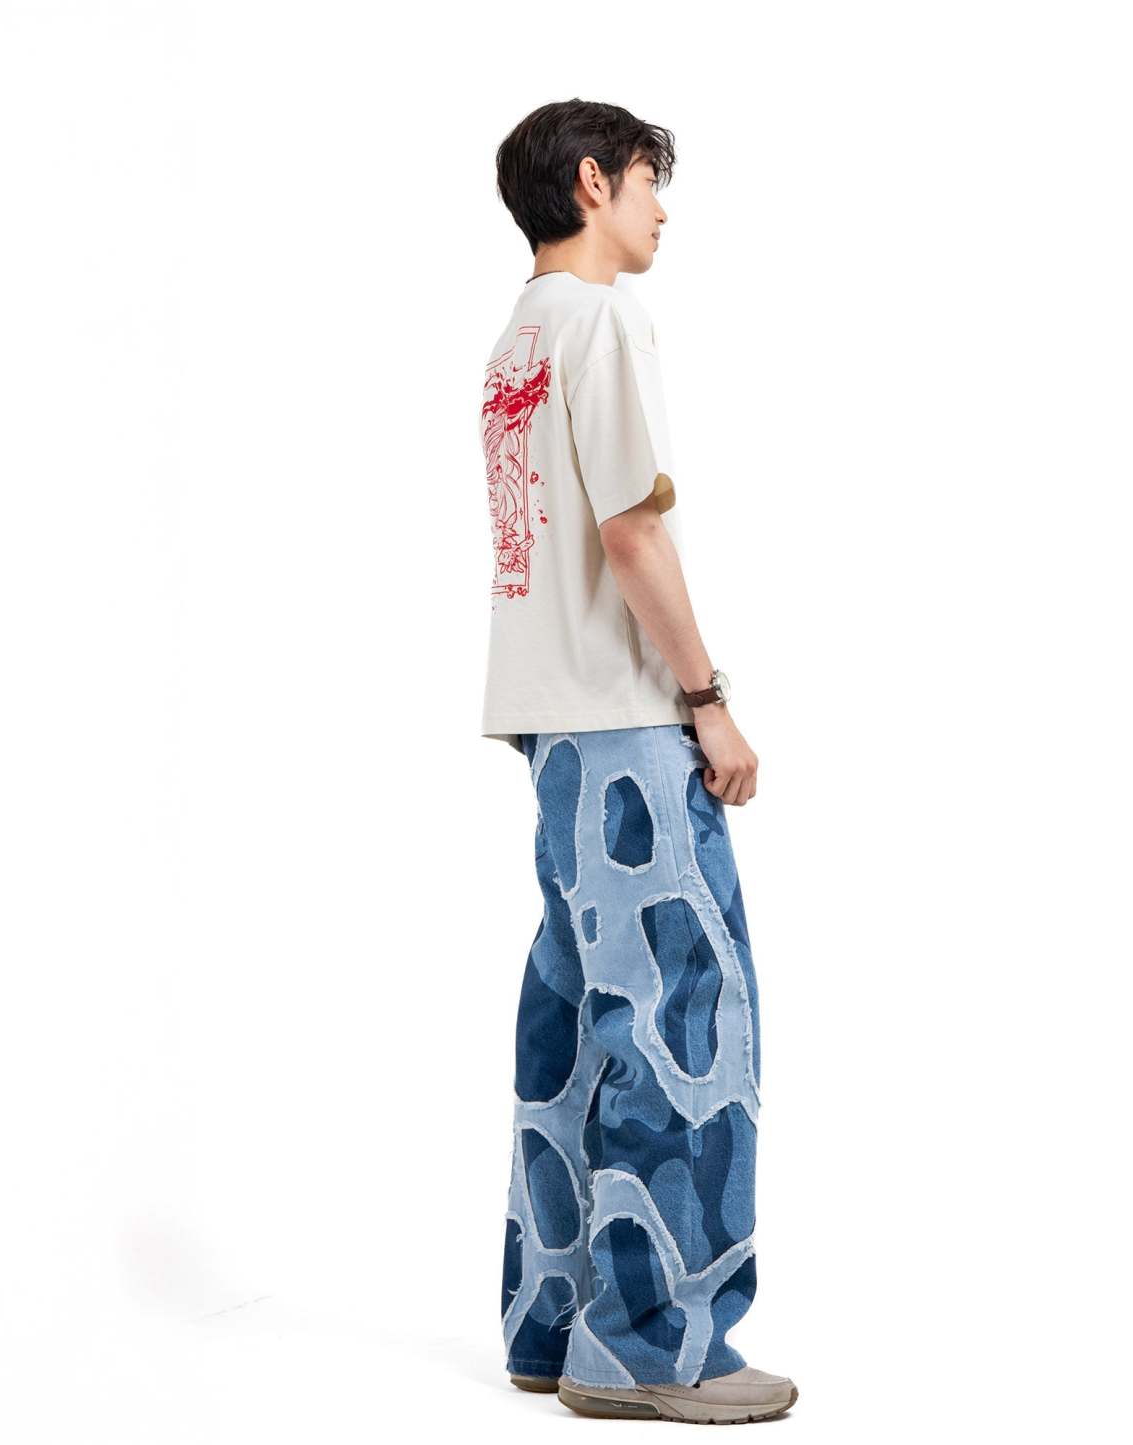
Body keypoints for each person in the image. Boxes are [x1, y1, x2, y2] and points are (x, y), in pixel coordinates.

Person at [479, 98, 797, 1426]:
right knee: (683, 1026)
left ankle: (552, 1325)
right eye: (648, 184)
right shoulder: (604, 322)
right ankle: (655, 1345)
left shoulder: (514, 341)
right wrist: (707, 701)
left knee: (575, 1036)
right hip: (624, 725)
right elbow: (630, 533)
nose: (661, 211)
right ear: (593, 184)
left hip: (551, 733)